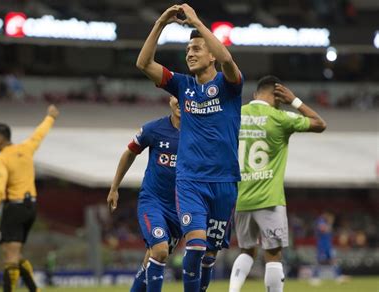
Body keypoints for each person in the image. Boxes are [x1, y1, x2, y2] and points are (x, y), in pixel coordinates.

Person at [136, 4, 243, 291]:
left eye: (197, 49)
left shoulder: (229, 86)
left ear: (211, 54)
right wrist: (160, 23)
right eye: (187, 51)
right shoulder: (182, 86)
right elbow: (144, 64)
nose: (191, 54)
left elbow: (229, 60)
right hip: (190, 182)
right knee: (194, 249)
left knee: (209, 255)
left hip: (224, 182)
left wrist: (196, 21)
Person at [228, 76, 327, 292]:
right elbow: (320, 124)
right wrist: (295, 101)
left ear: (255, 94)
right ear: (279, 97)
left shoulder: (236, 114)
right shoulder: (280, 117)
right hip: (269, 199)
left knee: (246, 251)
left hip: (242, 197)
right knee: (273, 255)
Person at [0, 105, 59, 292]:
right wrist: (50, 117)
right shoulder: (26, 148)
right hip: (30, 207)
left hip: (14, 208)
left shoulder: (0, 159)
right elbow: (39, 134)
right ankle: (35, 290)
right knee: (15, 254)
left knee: (10, 257)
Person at [107, 96, 181, 292]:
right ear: (170, 100)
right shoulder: (154, 129)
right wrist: (114, 187)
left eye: (185, 98)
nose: (181, 102)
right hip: (153, 202)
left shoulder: (198, 133)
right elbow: (129, 153)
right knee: (160, 251)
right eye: (177, 97)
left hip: (181, 208)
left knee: (152, 258)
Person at [310, 211, 346, 285]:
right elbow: (323, 229)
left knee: (334, 260)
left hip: (328, 245)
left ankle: (338, 277)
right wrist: (330, 223)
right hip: (322, 245)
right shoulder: (321, 220)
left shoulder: (325, 221)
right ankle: (314, 278)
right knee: (320, 261)